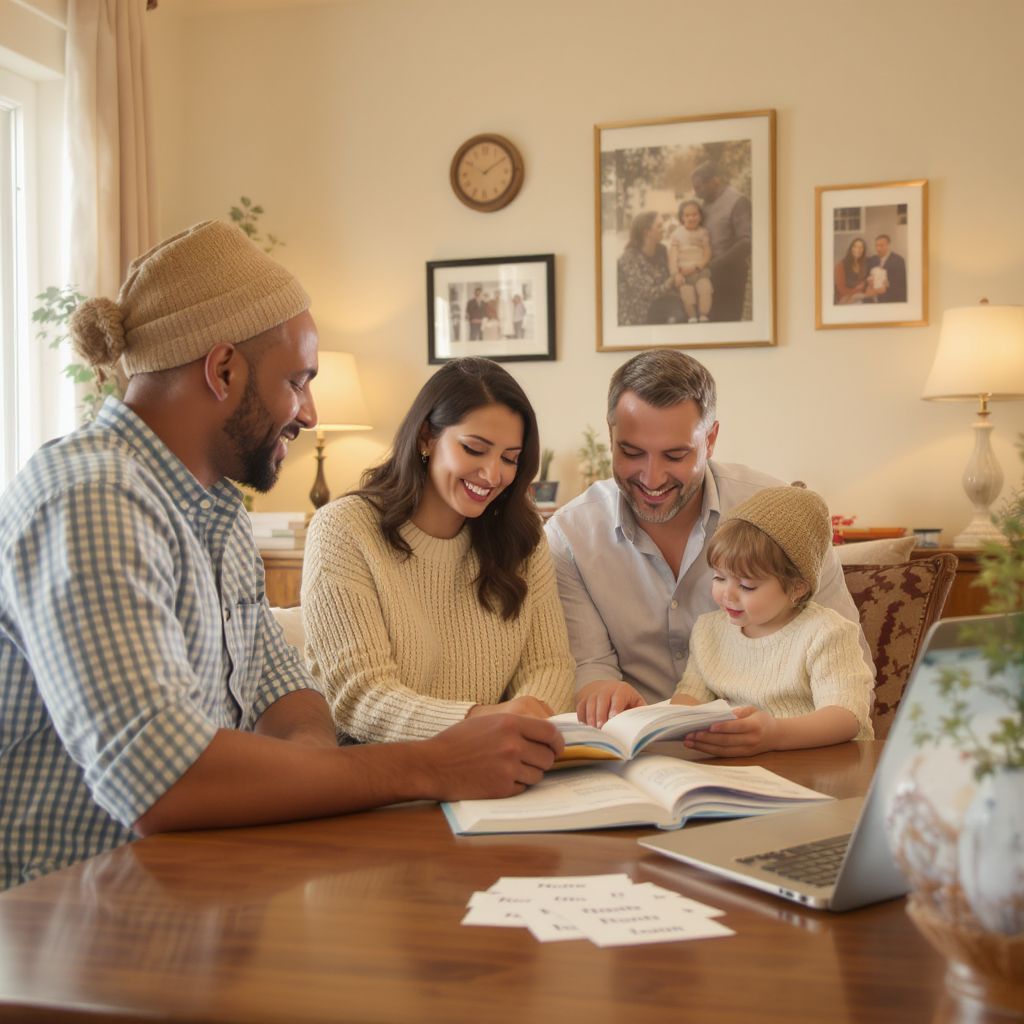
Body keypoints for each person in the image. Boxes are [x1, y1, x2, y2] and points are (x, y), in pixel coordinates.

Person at [0, 222, 563, 891]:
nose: (310, 412)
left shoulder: (215, 510)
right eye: (298, 381)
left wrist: (310, 773)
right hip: (75, 911)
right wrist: (434, 764)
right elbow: (162, 782)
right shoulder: (92, 497)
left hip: (196, 892)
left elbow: (288, 695)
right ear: (223, 370)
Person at [544, 349, 872, 727]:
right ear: (610, 436)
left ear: (710, 439)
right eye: (631, 452)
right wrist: (601, 693)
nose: (652, 478)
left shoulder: (784, 515)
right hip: (642, 745)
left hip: (789, 745)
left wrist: (780, 735)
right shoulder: (569, 537)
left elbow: (851, 673)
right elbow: (590, 665)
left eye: (675, 455)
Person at [301, 357, 575, 743]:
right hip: (380, 766)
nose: (493, 475)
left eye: (509, 458)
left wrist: (525, 726)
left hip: (499, 758)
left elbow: (549, 665)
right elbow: (360, 696)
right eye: (475, 449)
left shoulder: (523, 535)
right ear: (426, 437)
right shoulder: (344, 530)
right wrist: (484, 722)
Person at [670, 486, 874, 756]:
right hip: (743, 767)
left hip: (820, 764)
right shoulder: (709, 630)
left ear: (797, 588)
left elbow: (846, 716)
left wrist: (774, 735)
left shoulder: (826, 632)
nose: (727, 594)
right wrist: (665, 722)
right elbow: (690, 695)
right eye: (719, 577)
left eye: (747, 586)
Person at [691, 162, 752, 322]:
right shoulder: (705, 203)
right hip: (706, 277)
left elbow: (746, 241)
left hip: (729, 279)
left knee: (726, 323)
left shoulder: (738, 201)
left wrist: (715, 265)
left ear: (714, 181)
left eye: (699, 187)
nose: (696, 193)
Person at [616, 211, 683, 326]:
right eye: (659, 226)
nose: (664, 229)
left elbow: (672, 277)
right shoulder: (629, 258)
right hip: (639, 314)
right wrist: (669, 282)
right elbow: (645, 293)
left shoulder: (662, 250)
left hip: (662, 304)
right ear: (646, 232)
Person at [668, 199, 713, 323]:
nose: (691, 218)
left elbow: (707, 253)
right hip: (683, 273)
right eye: (687, 215)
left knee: (705, 289)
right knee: (687, 295)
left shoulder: (703, 232)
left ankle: (703, 315)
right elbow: (672, 256)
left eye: (694, 214)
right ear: (682, 218)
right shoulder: (677, 234)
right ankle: (692, 317)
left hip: (699, 271)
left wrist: (698, 266)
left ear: (700, 216)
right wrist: (676, 274)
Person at [865, 234, 907, 303]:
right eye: (876, 245)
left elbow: (902, 284)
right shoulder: (872, 260)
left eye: (881, 245)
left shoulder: (898, 260)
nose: (878, 248)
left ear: (888, 245)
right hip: (872, 298)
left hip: (890, 299)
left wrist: (889, 284)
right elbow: (866, 277)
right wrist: (868, 280)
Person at [833, 237, 871, 304]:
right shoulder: (840, 265)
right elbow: (841, 290)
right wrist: (857, 290)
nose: (858, 250)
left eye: (861, 247)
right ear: (851, 248)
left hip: (860, 296)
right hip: (845, 299)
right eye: (855, 247)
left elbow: (866, 282)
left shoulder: (865, 263)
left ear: (864, 250)